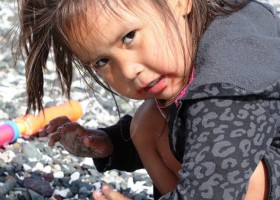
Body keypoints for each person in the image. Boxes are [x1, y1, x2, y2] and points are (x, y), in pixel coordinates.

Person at [16, 0, 280, 199]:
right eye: (102, 61)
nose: (128, 71)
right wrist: (109, 144)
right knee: (148, 122)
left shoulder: (229, 84)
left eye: (129, 37)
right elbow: (194, 132)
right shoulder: (205, 31)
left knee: (246, 179)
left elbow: (216, 181)